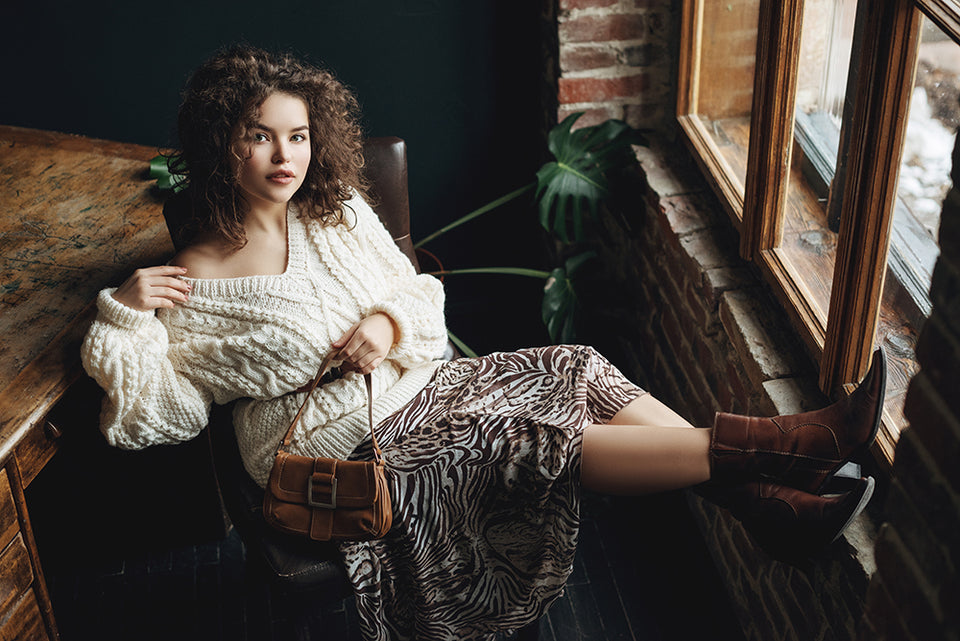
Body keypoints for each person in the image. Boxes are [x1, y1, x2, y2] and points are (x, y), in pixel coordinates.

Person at [80, 45, 885, 640]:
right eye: (259, 136)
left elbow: (416, 297)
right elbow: (162, 416)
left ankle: (766, 496)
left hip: (415, 386)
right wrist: (125, 312)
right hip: (335, 447)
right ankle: (779, 453)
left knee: (576, 367)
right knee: (531, 437)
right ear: (226, 143)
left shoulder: (338, 214)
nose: (284, 155)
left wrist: (385, 324)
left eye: (296, 135)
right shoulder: (194, 275)